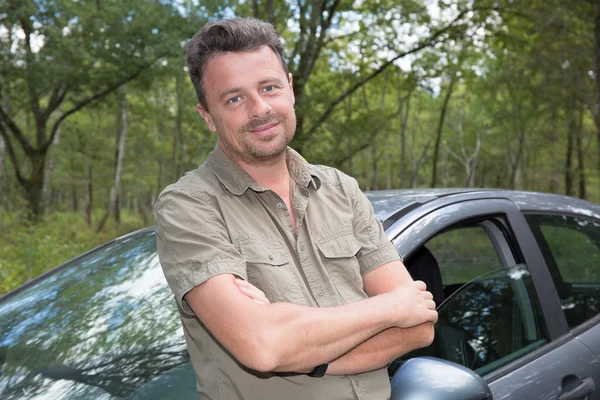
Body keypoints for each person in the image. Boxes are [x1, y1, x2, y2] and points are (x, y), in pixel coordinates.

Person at [154, 17, 437, 400]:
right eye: (234, 98)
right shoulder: (189, 206)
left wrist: (298, 348)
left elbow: (420, 326)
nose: (259, 109)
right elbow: (263, 345)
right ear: (207, 116)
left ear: (289, 88)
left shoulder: (340, 189)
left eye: (269, 88)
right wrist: (389, 308)